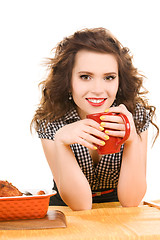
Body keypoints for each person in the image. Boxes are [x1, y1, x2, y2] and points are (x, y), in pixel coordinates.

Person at [31, 28, 159, 210]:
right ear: (68, 81)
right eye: (85, 77)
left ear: (119, 81)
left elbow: (131, 201)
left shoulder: (134, 114)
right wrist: (61, 141)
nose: (98, 89)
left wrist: (131, 140)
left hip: (118, 206)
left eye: (109, 77)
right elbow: (80, 206)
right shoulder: (51, 121)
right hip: (67, 208)